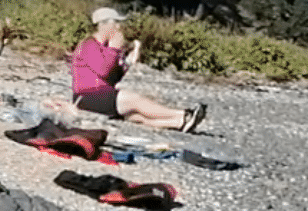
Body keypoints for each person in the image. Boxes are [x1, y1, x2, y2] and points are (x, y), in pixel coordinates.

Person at [72, 7, 207, 132]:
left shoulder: (103, 47)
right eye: (116, 23)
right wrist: (114, 48)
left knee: (136, 115)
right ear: (104, 25)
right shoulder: (89, 45)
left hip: (100, 93)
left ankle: (178, 122)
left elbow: (111, 78)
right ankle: (183, 114)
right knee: (134, 100)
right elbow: (103, 70)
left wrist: (127, 62)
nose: (119, 28)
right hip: (87, 96)